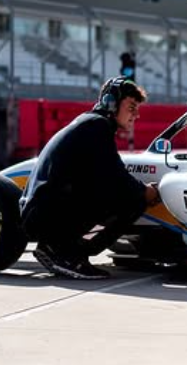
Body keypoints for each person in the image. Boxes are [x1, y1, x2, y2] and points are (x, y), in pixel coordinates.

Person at [20, 76, 160, 279]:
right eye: (131, 107)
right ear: (110, 103)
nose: (136, 115)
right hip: (45, 215)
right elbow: (116, 177)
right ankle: (68, 254)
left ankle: (56, 248)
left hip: (42, 213)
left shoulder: (89, 123)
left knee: (120, 193)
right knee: (133, 200)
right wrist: (146, 191)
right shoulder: (97, 126)